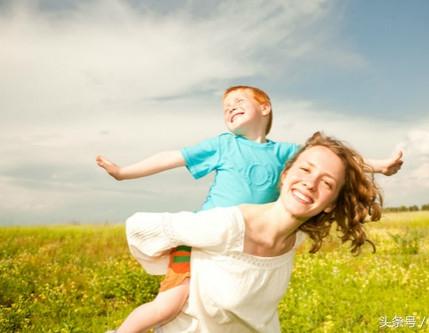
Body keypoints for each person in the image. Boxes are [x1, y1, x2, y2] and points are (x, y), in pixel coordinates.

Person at [97, 86, 402, 332]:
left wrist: (381, 166)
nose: (229, 108)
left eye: (238, 101)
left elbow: (338, 162)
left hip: (250, 245)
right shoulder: (224, 144)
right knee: (169, 305)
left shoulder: (285, 153)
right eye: (225, 107)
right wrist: (124, 173)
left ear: (265, 107)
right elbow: (172, 157)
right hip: (200, 238)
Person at [126, 131, 383, 332]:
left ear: (330, 205)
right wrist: (184, 261)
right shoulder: (226, 225)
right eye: (305, 169)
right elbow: (141, 227)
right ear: (284, 175)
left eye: (327, 183)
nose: (310, 183)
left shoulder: (296, 237)